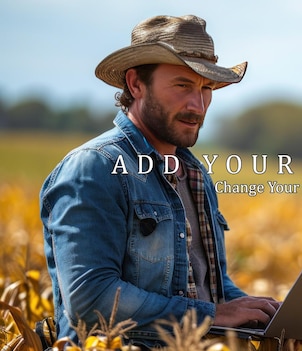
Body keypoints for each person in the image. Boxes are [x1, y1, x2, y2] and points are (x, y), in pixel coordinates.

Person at [40, 15, 281, 349]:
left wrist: (263, 313)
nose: (197, 105)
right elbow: (90, 298)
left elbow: (211, 287)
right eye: (182, 85)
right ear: (136, 84)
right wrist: (210, 315)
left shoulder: (194, 174)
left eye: (206, 88)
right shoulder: (95, 167)